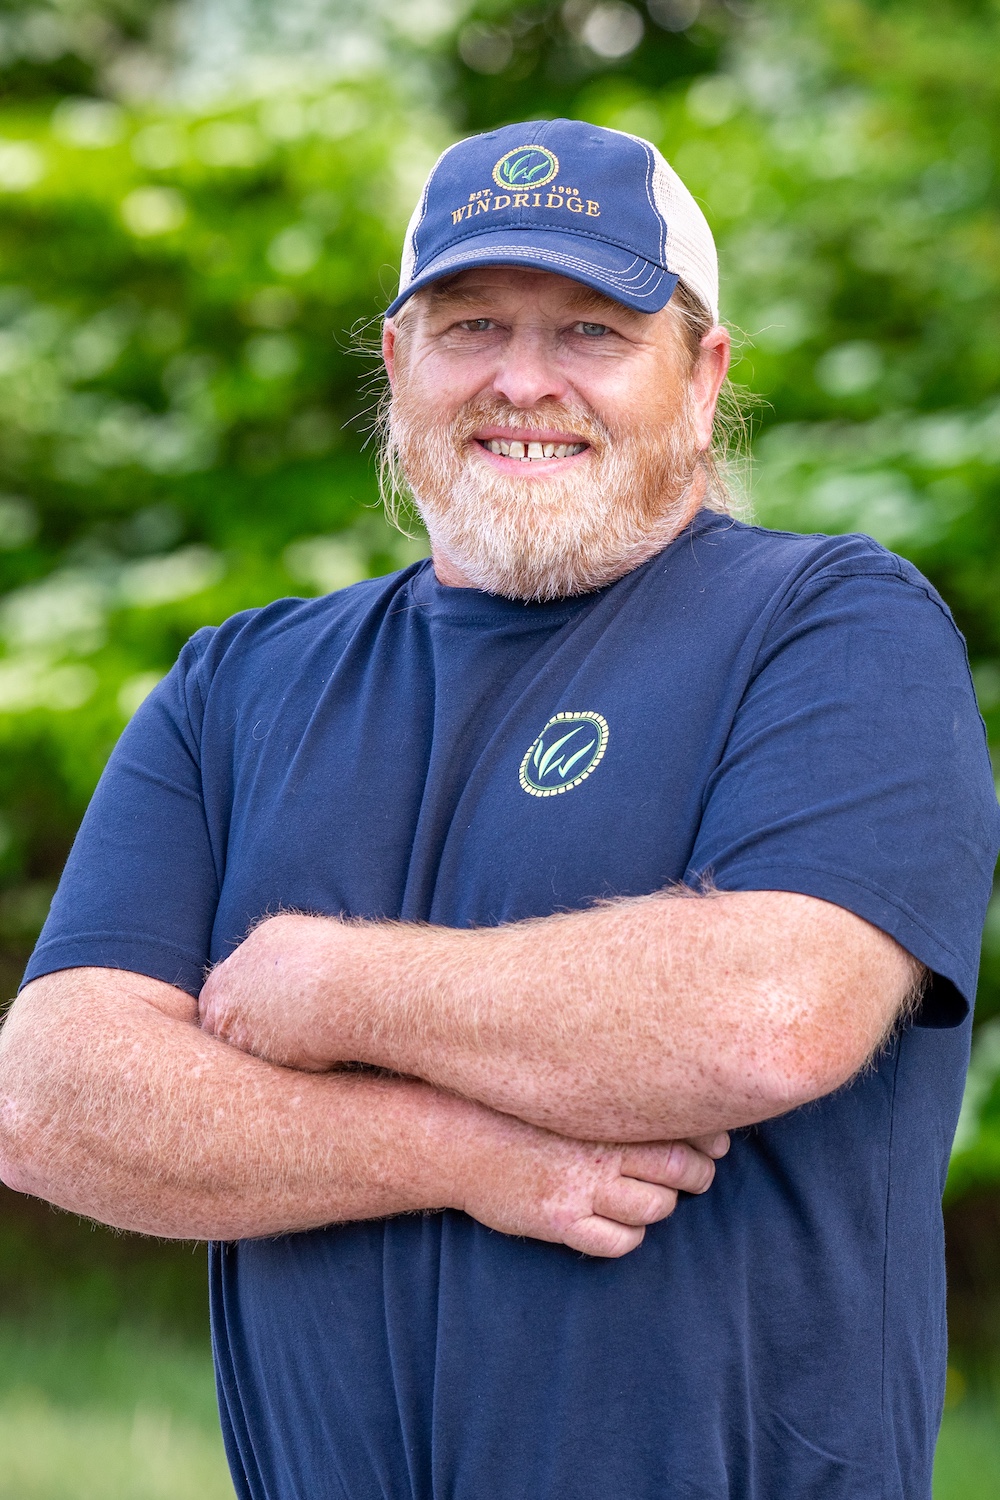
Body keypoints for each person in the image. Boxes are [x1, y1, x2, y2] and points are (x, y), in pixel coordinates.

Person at [0, 117, 997, 1500]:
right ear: (400, 366)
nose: (524, 381)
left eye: (591, 331)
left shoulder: (832, 625)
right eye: (471, 325)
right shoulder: (239, 683)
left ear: (702, 379)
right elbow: (50, 1098)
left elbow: (768, 1010)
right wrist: (465, 1156)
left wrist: (328, 986)